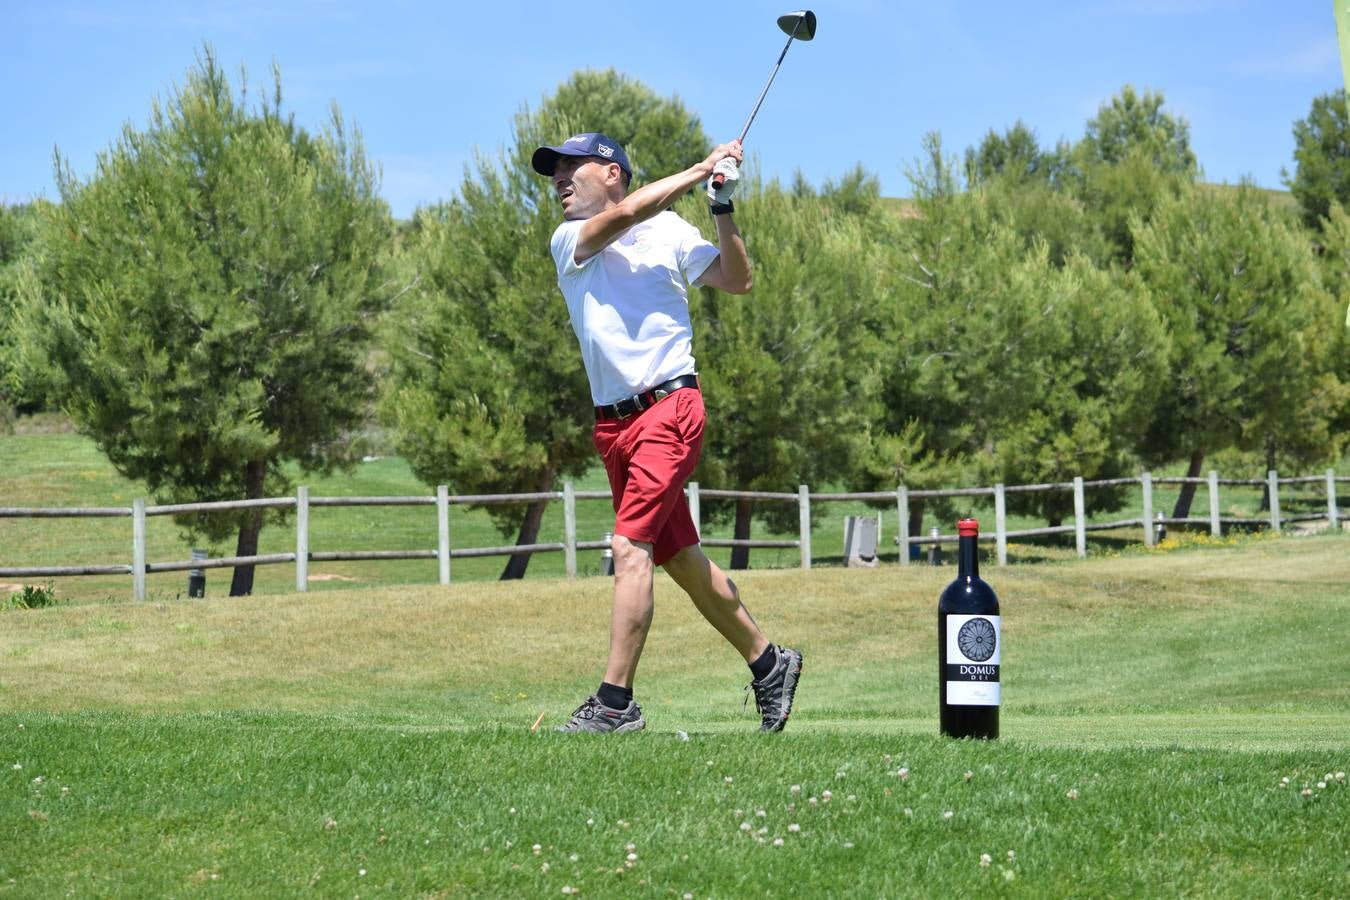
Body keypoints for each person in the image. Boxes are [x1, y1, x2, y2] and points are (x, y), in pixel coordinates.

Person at [531, 131, 803, 733]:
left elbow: (738, 279)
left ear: (611, 171)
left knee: (630, 548)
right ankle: (769, 662)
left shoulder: (672, 233)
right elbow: (630, 213)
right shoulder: (568, 239)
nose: (558, 180)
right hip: (613, 428)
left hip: (669, 410)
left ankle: (614, 703)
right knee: (679, 556)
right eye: (555, 172)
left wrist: (722, 206)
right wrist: (699, 167)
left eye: (570, 167)